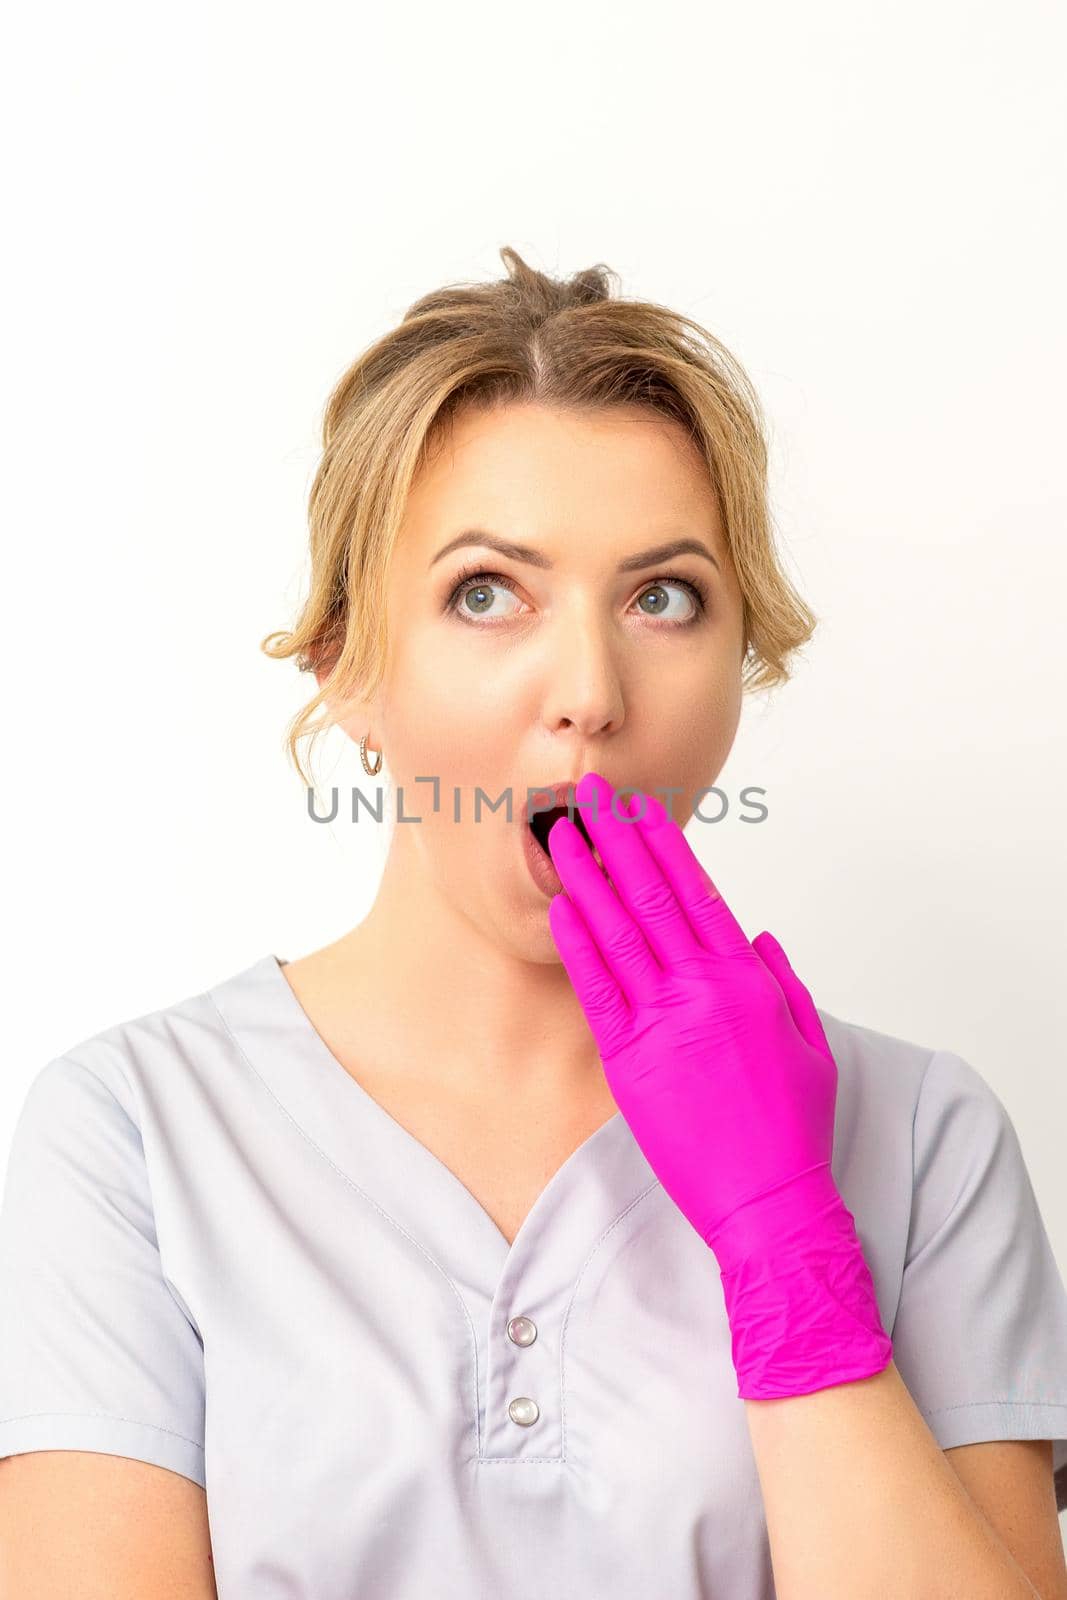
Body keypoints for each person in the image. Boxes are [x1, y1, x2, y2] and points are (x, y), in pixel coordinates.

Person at [1, 248, 1065, 1599]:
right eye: (487, 592)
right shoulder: (135, 1134)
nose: (590, 692)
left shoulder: (921, 1138)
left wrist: (786, 1238)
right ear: (345, 666)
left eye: (664, 596)